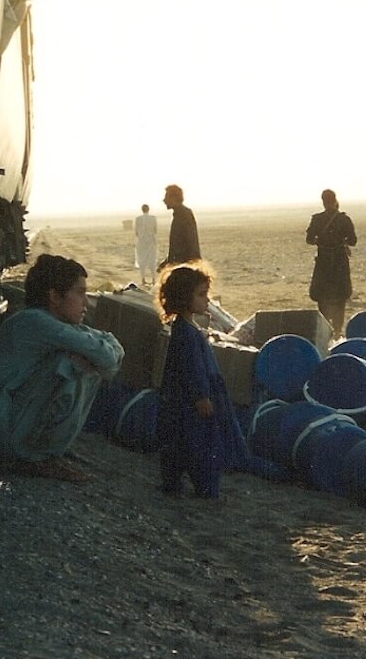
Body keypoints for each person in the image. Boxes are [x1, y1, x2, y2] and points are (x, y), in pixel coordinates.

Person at [0, 254, 124, 482]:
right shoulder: (35, 322)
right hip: (5, 434)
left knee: (82, 356)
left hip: (13, 423)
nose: (86, 303)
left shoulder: (53, 323)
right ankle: (37, 457)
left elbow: (110, 346)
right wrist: (96, 357)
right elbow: (106, 354)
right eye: (80, 293)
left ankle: (45, 452)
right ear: (54, 296)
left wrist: (100, 355)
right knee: (72, 364)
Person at [155, 262, 245, 498]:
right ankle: (205, 489)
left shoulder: (186, 328)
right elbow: (192, 368)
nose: (207, 300)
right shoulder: (186, 333)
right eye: (201, 295)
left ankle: (175, 485)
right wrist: (202, 396)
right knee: (201, 446)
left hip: (183, 400)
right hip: (192, 402)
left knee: (180, 445)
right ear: (185, 298)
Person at [306, 189, 358, 335]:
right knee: (339, 299)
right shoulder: (344, 219)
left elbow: (309, 239)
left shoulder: (317, 219)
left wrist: (321, 241)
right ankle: (337, 332)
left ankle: (325, 332)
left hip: (323, 264)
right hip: (339, 264)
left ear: (323, 202)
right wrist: (341, 242)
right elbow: (353, 240)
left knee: (323, 299)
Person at [160, 184, 201, 268]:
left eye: (166, 197)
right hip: (181, 265)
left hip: (185, 267)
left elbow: (190, 242)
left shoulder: (184, 215)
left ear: (174, 198)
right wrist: (168, 261)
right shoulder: (180, 214)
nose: (164, 200)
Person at [134, 203, 158, 286]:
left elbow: (136, 232)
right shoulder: (153, 218)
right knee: (152, 260)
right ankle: (154, 279)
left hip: (141, 242)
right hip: (151, 241)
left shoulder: (138, 219)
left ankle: (143, 279)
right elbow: (155, 230)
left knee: (142, 261)